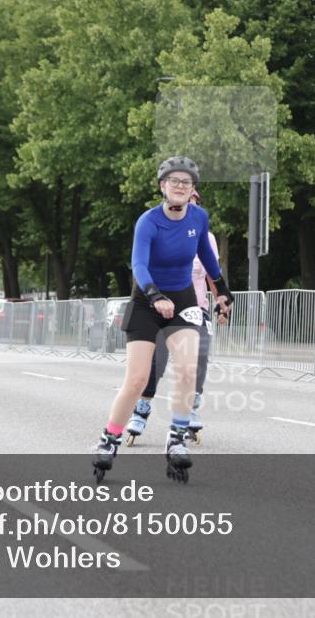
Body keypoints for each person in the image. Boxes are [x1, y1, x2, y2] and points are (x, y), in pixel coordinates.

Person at [92, 156, 233, 484]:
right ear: (162, 187)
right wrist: (155, 295)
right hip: (146, 300)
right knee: (139, 379)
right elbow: (139, 265)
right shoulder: (148, 222)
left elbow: (207, 257)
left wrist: (223, 291)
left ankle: (177, 439)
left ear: (192, 189)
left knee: (187, 370)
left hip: (183, 299)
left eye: (186, 182)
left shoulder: (199, 217)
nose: (180, 187)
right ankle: (109, 439)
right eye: (174, 182)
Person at [124, 188, 223, 446]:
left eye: (194, 201)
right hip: (160, 305)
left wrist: (221, 301)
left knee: (198, 360)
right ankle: (142, 407)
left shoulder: (205, 236)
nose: (189, 205)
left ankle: (190, 408)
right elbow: (142, 265)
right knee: (156, 360)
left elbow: (212, 273)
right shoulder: (157, 228)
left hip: (194, 305)